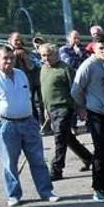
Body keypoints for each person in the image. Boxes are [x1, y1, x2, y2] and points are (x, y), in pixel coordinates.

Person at [0, 46, 58, 207]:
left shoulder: (20, 74)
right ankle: (13, 195)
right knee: (9, 162)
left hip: (28, 122)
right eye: (5, 58)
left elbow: (28, 97)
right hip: (6, 124)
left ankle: (46, 192)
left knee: (38, 159)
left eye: (11, 58)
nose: (9, 61)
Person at [72, 36, 104, 203]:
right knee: (100, 152)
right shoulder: (88, 66)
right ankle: (98, 187)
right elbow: (76, 89)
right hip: (97, 114)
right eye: (101, 48)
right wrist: (82, 107)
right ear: (94, 48)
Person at [38, 43, 93, 180]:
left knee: (59, 138)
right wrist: (46, 108)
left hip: (64, 107)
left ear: (56, 54)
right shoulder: (43, 69)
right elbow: (44, 91)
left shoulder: (65, 69)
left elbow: (76, 90)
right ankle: (88, 157)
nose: (46, 58)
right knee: (66, 137)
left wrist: (80, 108)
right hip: (51, 109)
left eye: (49, 55)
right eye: (43, 55)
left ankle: (56, 169)